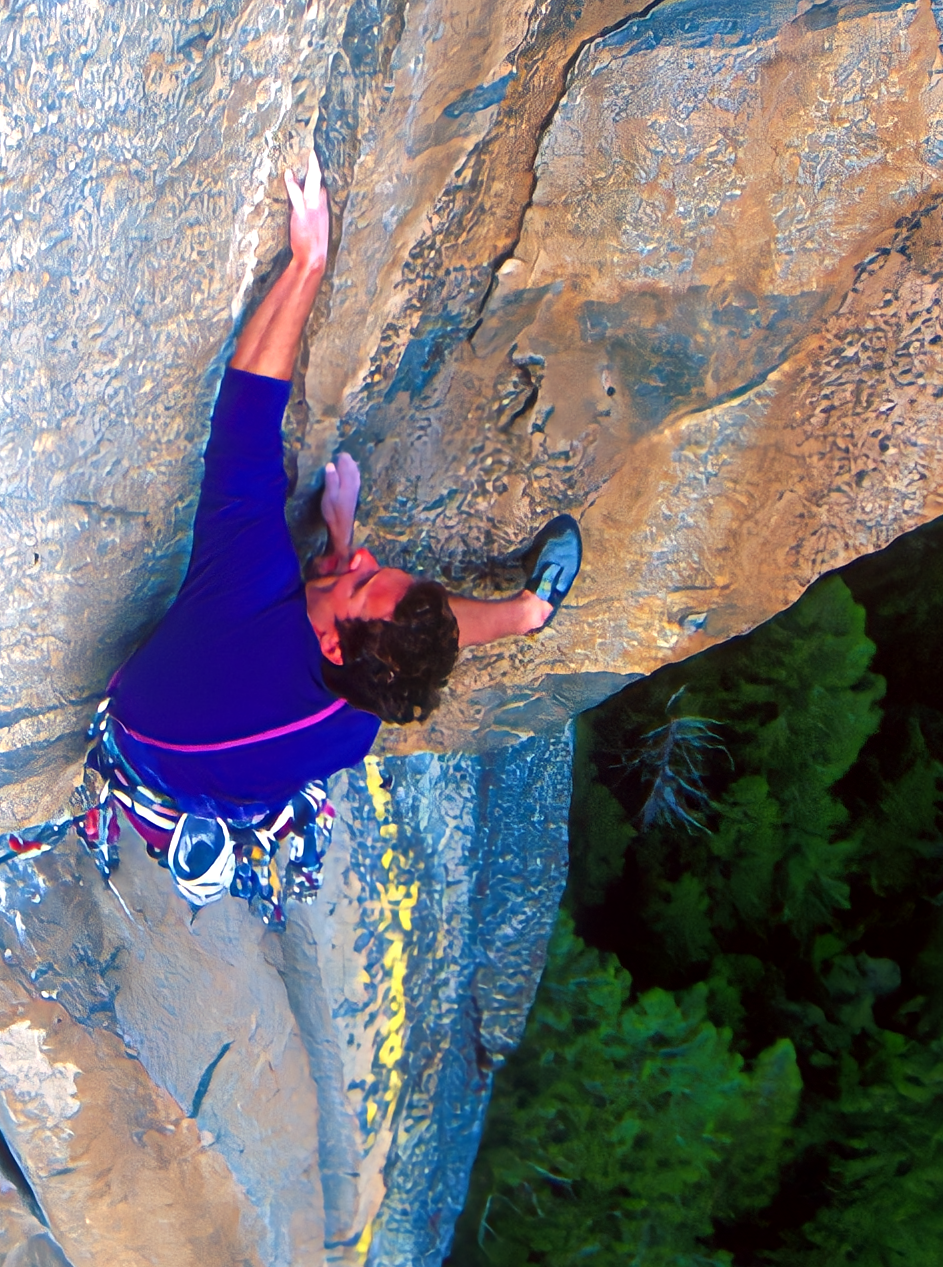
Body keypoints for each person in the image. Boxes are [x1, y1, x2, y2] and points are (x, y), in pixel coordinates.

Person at [79, 148, 581, 920]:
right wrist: (342, 553)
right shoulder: (358, 720)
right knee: (397, 657)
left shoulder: (248, 585)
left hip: (144, 734)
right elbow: (379, 639)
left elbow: (244, 416)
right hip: (210, 767)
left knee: (369, 658)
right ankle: (526, 616)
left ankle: (521, 617)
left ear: (335, 646)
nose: (371, 559)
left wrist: (309, 261)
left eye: (362, 580)